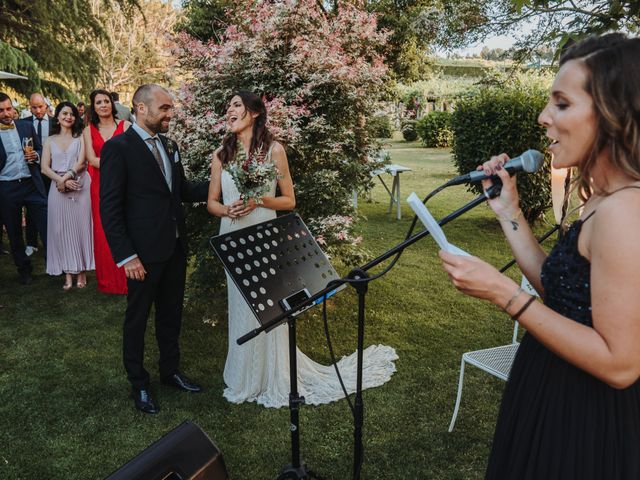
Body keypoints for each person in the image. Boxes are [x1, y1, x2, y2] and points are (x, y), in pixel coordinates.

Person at [439, 33, 640, 479]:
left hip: (585, 415)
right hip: (550, 382)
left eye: (562, 104)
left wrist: (505, 294)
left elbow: (621, 364)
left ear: (613, 114)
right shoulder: (603, 198)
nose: (543, 117)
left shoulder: (627, 211)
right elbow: (566, 293)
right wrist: (508, 209)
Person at [207, 91, 398, 408]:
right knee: (241, 305)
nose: (229, 110)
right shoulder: (221, 153)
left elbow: (289, 201)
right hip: (232, 236)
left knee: (267, 304)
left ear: (254, 113)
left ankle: (274, 373)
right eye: (227, 106)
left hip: (264, 233)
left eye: (236, 105)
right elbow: (212, 202)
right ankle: (245, 376)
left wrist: (259, 200)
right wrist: (226, 211)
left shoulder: (274, 150)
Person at [101, 84, 209, 414]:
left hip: (174, 247)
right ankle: (139, 383)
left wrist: (224, 179)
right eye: (164, 108)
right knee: (137, 319)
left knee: (171, 314)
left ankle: (170, 371)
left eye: (170, 108)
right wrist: (127, 256)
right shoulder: (118, 148)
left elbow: (184, 190)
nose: (170, 114)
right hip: (142, 255)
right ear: (141, 108)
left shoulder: (169, 145)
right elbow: (110, 208)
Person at [41, 102, 94, 289]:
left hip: (80, 184)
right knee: (60, 230)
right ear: (57, 117)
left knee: (81, 228)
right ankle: (67, 274)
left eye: (71, 114)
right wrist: (60, 181)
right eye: (64, 113)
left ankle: (81, 272)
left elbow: (82, 163)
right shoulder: (49, 140)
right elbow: (44, 167)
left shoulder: (81, 137)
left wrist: (67, 178)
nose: (68, 117)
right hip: (58, 187)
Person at [83, 89, 130, 294]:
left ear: (112, 104)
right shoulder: (88, 130)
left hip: (126, 184)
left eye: (106, 101)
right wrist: (117, 164)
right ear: (93, 107)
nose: (103, 105)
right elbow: (91, 159)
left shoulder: (126, 126)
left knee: (127, 225)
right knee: (103, 231)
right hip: (100, 186)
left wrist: (117, 165)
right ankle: (109, 281)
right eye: (98, 102)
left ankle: (130, 276)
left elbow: (133, 155)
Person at [0, 92, 48, 284]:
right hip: (7, 187)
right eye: (1, 110)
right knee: (14, 232)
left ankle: (54, 263)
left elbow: (41, 149)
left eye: (9, 108)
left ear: (14, 109)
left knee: (47, 223)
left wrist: (35, 155)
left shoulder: (26, 126)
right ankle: (24, 269)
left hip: (31, 184)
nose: (6, 113)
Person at [23, 93, 54, 255]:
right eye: (34, 107)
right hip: (33, 172)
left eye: (40, 106)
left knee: (53, 205)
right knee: (31, 207)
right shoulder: (23, 123)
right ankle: (31, 242)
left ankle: (54, 239)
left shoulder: (56, 123)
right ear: (30, 107)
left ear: (46, 106)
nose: (38, 110)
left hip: (53, 171)